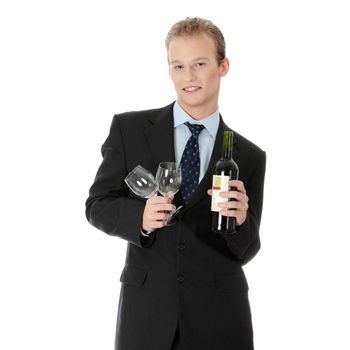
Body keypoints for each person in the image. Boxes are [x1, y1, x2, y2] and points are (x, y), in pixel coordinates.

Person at [85, 17, 266, 350]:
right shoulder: (130, 130)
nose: (188, 77)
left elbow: (247, 249)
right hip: (147, 315)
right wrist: (137, 218)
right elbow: (97, 205)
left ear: (223, 66)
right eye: (178, 66)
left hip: (221, 318)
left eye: (199, 64)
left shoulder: (250, 156)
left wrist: (241, 222)